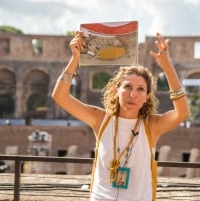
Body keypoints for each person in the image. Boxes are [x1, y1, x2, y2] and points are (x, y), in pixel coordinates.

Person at [52, 31, 190, 201]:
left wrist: (167, 67)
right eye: (128, 87)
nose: (133, 94)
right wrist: (75, 59)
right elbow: (60, 96)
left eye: (140, 89)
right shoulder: (100, 119)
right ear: (116, 90)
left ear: (147, 96)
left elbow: (182, 112)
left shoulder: (151, 126)